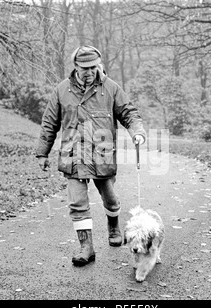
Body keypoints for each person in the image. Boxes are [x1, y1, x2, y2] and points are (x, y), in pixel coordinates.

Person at [35, 45, 146, 267]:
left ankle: (113, 225)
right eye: (84, 67)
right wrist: (42, 152)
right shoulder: (62, 90)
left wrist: (137, 132)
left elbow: (129, 113)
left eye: (93, 67)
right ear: (75, 66)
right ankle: (87, 247)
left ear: (99, 65)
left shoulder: (111, 88)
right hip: (73, 156)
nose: (89, 71)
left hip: (102, 155)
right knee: (77, 203)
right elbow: (49, 122)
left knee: (111, 199)